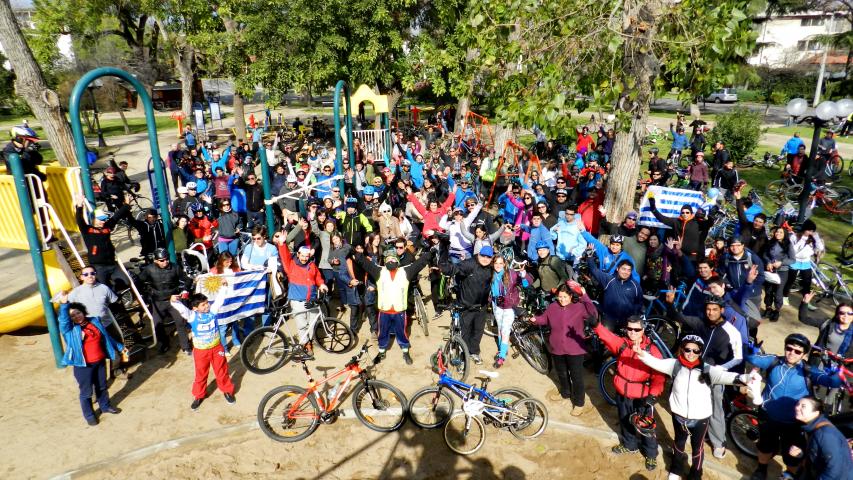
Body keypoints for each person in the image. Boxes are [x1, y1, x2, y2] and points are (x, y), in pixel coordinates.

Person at [636, 335, 748, 479]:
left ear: (700, 352)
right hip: (679, 414)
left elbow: (726, 377)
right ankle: (676, 469)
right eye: (687, 349)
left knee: (697, 447)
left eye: (696, 351)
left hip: (700, 418)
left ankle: (696, 473)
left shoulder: (708, 370)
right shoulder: (674, 365)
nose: (691, 354)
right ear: (682, 349)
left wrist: (744, 379)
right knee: (679, 442)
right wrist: (641, 354)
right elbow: (655, 362)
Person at [745, 333, 844, 480]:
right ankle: (761, 469)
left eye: (797, 351)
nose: (792, 353)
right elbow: (752, 359)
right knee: (764, 446)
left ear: (804, 354)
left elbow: (834, 383)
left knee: (792, 455)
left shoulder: (808, 370)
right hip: (768, 415)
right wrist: (751, 352)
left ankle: (790, 474)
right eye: (789, 348)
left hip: (794, 423)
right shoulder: (774, 361)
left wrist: (835, 374)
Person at [666, 293, 743, 459]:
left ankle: (718, 442)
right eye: (708, 309)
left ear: (722, 310)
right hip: (694, 371)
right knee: (689, 403)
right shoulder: (700, 323)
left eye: (715, 309)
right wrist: (671, 304)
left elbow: (738, 357)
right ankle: (686, 436)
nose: (710, 312)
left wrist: (719, 369)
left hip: (714, 375)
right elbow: (677, 316)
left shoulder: (731, 331)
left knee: (715, 408)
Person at [586, 314, 666, 471]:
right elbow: (608, 337)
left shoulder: (652, 350)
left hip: (643, 395)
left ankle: (650, 454)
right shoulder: (622, 344)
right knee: (625, 419)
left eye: (636, 329)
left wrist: (654, 394)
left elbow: (659, 376)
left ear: (643, 330)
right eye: (629, 328)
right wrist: (596, 325)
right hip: (623, 391)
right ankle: (630, 445)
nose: (633, 332)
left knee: (646, 426)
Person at [353, 246, 434, 364]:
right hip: (384, 311)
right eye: (388, 259)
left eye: (393, 259)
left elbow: (419, 263)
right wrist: (353, 251)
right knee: (383, 333)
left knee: (402, 332)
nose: (391, 261)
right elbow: (364, 262)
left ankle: (405, 351)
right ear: (385, 261)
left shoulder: (406, 271)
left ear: (398, 261)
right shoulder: (379, 271)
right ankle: (381, 352)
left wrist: (430, 253)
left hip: (399, 311)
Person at [56, 293, 125, 426]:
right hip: (83, 366)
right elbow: (63, 320)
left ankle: (105, 406)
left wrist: (120, 347)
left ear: (83, 312)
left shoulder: (94, 321)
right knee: (87, 392)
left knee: (102, 386)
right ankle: (89, 415)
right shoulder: (69, 330)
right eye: (73, 315)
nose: (77, 316)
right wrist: (64, 305)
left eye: (78, 313)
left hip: (99, 361)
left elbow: (106, 337)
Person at [532, 282, 596, 415]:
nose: (562, 299)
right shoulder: (553, 306)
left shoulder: (579, 307)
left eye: (565, 297)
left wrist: (585, 296)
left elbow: (593, 313)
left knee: (576, 376)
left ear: (571, 296)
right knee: (561, 373)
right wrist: (535, 319)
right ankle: (565, 393)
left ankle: (579, 403)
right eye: (560, 297)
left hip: (575, 349)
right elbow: (544, 319)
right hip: (557, 347)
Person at [170, 293, 236, 411]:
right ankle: (199, 395)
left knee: (222, 371)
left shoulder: (213, 311)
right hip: (201, 351)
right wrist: (174, 302)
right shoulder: (191, 316)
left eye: (207, 303)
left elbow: (219, 300)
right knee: (201, 374)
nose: (207, 306)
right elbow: (182, 309)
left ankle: (227, 391)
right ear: (195, 308)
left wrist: (224, 288)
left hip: (217, 348)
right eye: (203, 305)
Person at [439, 245, 495, 365]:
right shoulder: (469, 264)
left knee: (478, 331)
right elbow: (453, 269)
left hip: (482, 306)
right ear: (478, 255)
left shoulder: (492, 268)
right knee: (465, 332)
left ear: (491, 259)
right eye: (483, 256)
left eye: (488, 257)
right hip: (466, 306)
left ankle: (474, 352)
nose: (485, 259)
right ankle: (463, 356)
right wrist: (444, 264)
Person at [273, 233, 328, 352]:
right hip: (297, 300)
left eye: (306, 256)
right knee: (302, 324)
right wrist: (282, 244)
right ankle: (305, 343)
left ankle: (311, 339)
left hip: (312, 299)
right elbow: (285, 256)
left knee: (313, 321)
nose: (304, 258)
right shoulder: (290, 265)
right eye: (302, 256)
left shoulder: (312, 265)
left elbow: (317, 277)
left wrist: (322, 284)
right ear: (298, 254)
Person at [137, 248, 192, 354]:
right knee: (157, 324)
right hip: (158, 301)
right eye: (162, 260)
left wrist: (185, 290)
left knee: (180, 322)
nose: (165, 262)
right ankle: (164, 343)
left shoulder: (175, 267)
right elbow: (139, 282)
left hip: (174, 301)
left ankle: (185, 346)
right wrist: (144, 293)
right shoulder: (149, 269)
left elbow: (187, 279)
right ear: (156, 260)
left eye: (166, 259)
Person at [790, 397, 853, 479]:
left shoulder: (824, 433)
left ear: (816, 413)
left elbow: (836, 469)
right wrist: (801, 454)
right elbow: (819, 455)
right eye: (798, 404)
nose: (797, 407)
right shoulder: (811, 427)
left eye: (803, 406)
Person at [489, 255, 528, 368]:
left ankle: (502, 356)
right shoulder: (491, 273)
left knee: (505, 330)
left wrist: (524, 275)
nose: (498, 265)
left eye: (501, 263)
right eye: (496, 263)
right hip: (496, 304)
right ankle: (503, 349)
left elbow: (525, 284)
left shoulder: (511, 273)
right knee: (500, 328)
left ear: (505, 264)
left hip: (509, 306)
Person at [586, 257, 643, 330]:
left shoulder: (635, 285)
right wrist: (590, 258)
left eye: (629, 270)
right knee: (605, 340)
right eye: (623, 269)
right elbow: (594, 270)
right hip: (609, 319)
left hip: (626, 320)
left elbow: (639, 302)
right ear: (617, 269)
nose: (626, 272)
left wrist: (634, 315)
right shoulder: (609, 279)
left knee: (625, 341)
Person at [762, 226, 795, 322]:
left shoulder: (788, 245)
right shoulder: (770, 243)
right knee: (768, 291)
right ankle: (768, 308)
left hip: (782, 271)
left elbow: (793, 260)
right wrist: (768, 262)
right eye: (777, 232)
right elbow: (765, 254)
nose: (778, 234)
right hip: (770, 270)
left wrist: (781, 262)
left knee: (778, 292)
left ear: (784, 234)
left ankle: (777, 310)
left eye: (781, 232)